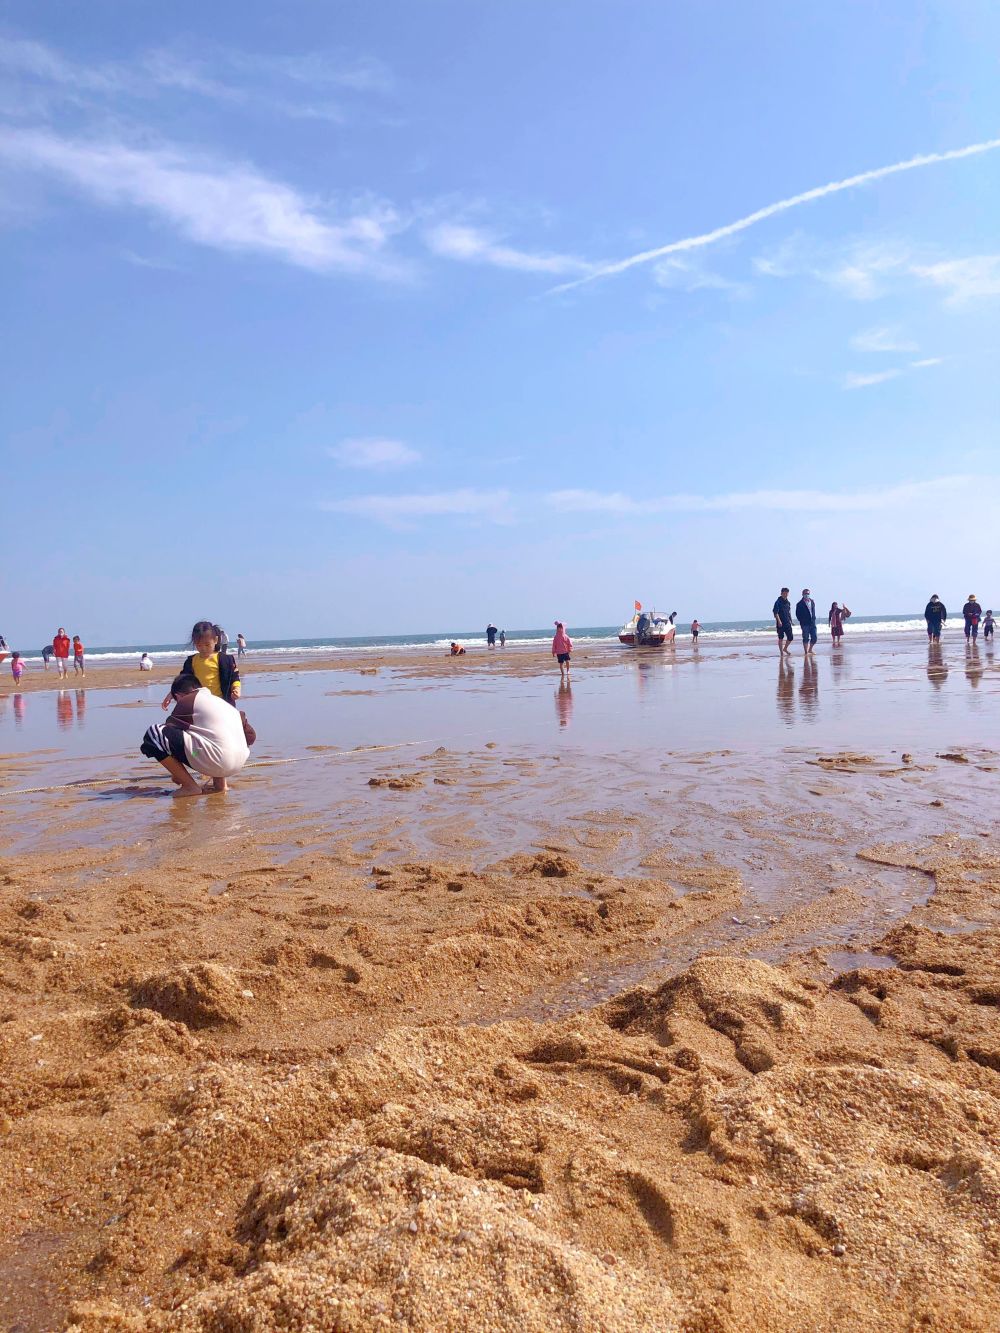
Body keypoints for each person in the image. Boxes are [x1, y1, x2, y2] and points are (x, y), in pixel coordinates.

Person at [141, 671, 249, 798]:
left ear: (179, 696)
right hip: (238, 763)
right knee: (212, 736)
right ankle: (221, 785)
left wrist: (177, 774)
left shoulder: (188, 700)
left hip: (218, 760)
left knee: (154, 734)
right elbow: (251, 736)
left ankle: (189, 786)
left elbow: (167, 734)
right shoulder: (223, 704)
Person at [163, 621, 240, 710]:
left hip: (222, 704)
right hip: (199, 705)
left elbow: (234, 677)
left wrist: (236, 688)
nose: (203, 648)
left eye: (207, 645)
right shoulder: (191, 661)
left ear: (215, 640)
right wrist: (171, 695)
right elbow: (182, 681)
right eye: (199, 645)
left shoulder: (225, 660)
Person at [795, 589, 818, 655]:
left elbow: (813, 611)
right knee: (805, 637)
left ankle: (810, 649)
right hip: (805, 623)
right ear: (802, 594)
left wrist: (814, 618)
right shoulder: (799, 604)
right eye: (805, 593)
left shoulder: (812, 602)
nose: (806, 595)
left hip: (812, 622)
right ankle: (806, 652)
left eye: (808, 593)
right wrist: (802, 621)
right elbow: (797, 614)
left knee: (814, 638)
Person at [772, 588, 794, 655]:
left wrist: (791, 620)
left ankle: (785, 649)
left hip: (787, 622)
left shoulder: (788, 602)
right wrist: (779, 621)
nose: (785, 594)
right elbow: (775, 612)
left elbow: (789, 612)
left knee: (790, 637)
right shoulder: (778, 602)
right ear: (781, 593)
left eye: (786, 593)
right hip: (780, 623)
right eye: (784, 593)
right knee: (781, 638)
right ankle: (781, 652)